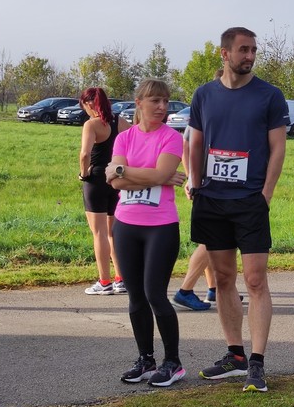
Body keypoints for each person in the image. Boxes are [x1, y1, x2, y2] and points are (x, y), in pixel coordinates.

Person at [189, 27, 289, 393]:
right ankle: (235, 355)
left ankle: (257, 363)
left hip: (250, 201)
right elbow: (195, 142)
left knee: (256, 280)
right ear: (225, 53)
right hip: (212, 199)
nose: (249, 56)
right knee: (223, 278)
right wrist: (195, 183)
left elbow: (278, 148)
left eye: (253, 50)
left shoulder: (269, 96)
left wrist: (265, 194)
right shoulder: (204, 95)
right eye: (243, 50)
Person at [107, 79, 188, 387]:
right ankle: (145, 359)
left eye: (165, 101)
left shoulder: (171, 137)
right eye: (155, 101)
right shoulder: (124, 138)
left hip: (161, 227)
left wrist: (123, 171)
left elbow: (158, 173)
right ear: (138, 103)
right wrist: (155, 177)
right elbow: (117, 183)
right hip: (126, 224)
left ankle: (173, 363)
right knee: (136, 296)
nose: (162, 107)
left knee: (155, 294)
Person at [78, 87, 131, 295]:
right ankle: (121, 279)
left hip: (96, 179)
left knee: (99, 232)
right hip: (116, 178)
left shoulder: (91, 124)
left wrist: (83, 174)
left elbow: (85, 154)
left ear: (89, 104)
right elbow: (135, 140)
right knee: (113, 232)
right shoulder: (120, 121)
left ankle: (104, 281)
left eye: (83, 105)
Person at [172, 123, 215, 311]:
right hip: (208, 185)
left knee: (213, 238)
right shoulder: (204, 109)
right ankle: (185, 290)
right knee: (212, 238)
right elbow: (185, 144)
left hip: (217, 184)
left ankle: (214, 288)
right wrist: (191, 179)